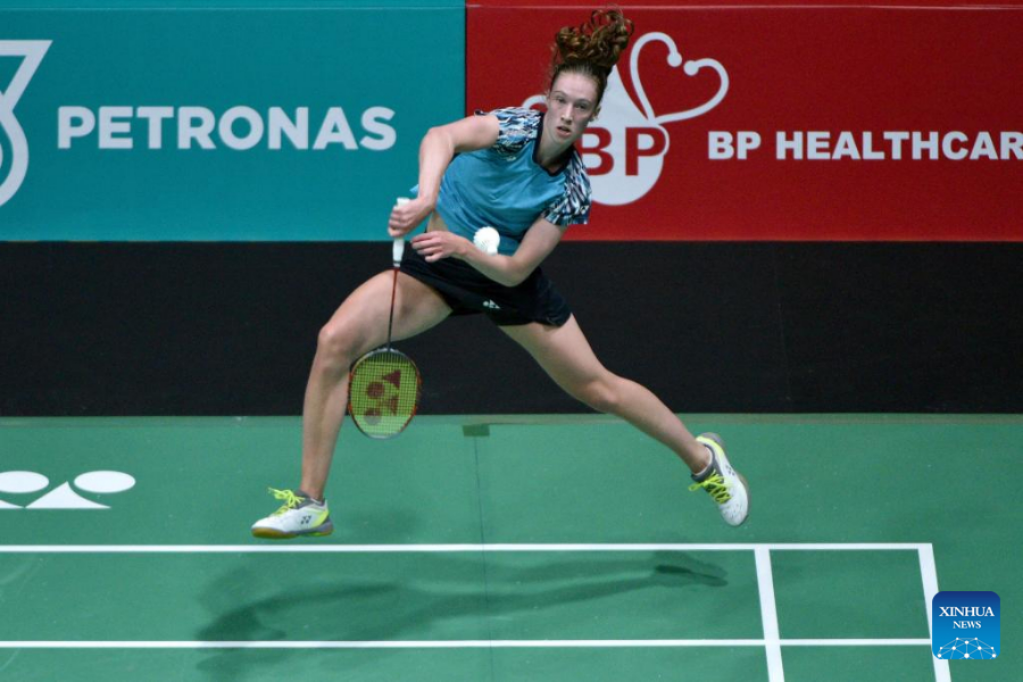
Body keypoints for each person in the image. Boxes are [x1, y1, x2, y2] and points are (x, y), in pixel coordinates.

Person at [251, 8, 749, 539]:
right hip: (437, 264)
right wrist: (427, 196)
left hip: (499, 279)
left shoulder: (571, 189)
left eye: (580, 107)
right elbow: (441, 137)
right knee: (334, 341)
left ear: (595, 115)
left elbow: (514, 272)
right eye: (560, 100)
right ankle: (311, 502)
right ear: (547, 98)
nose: (566, 115)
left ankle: (704, 461)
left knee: (599, 388)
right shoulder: (514, 128)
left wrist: (465, 248)